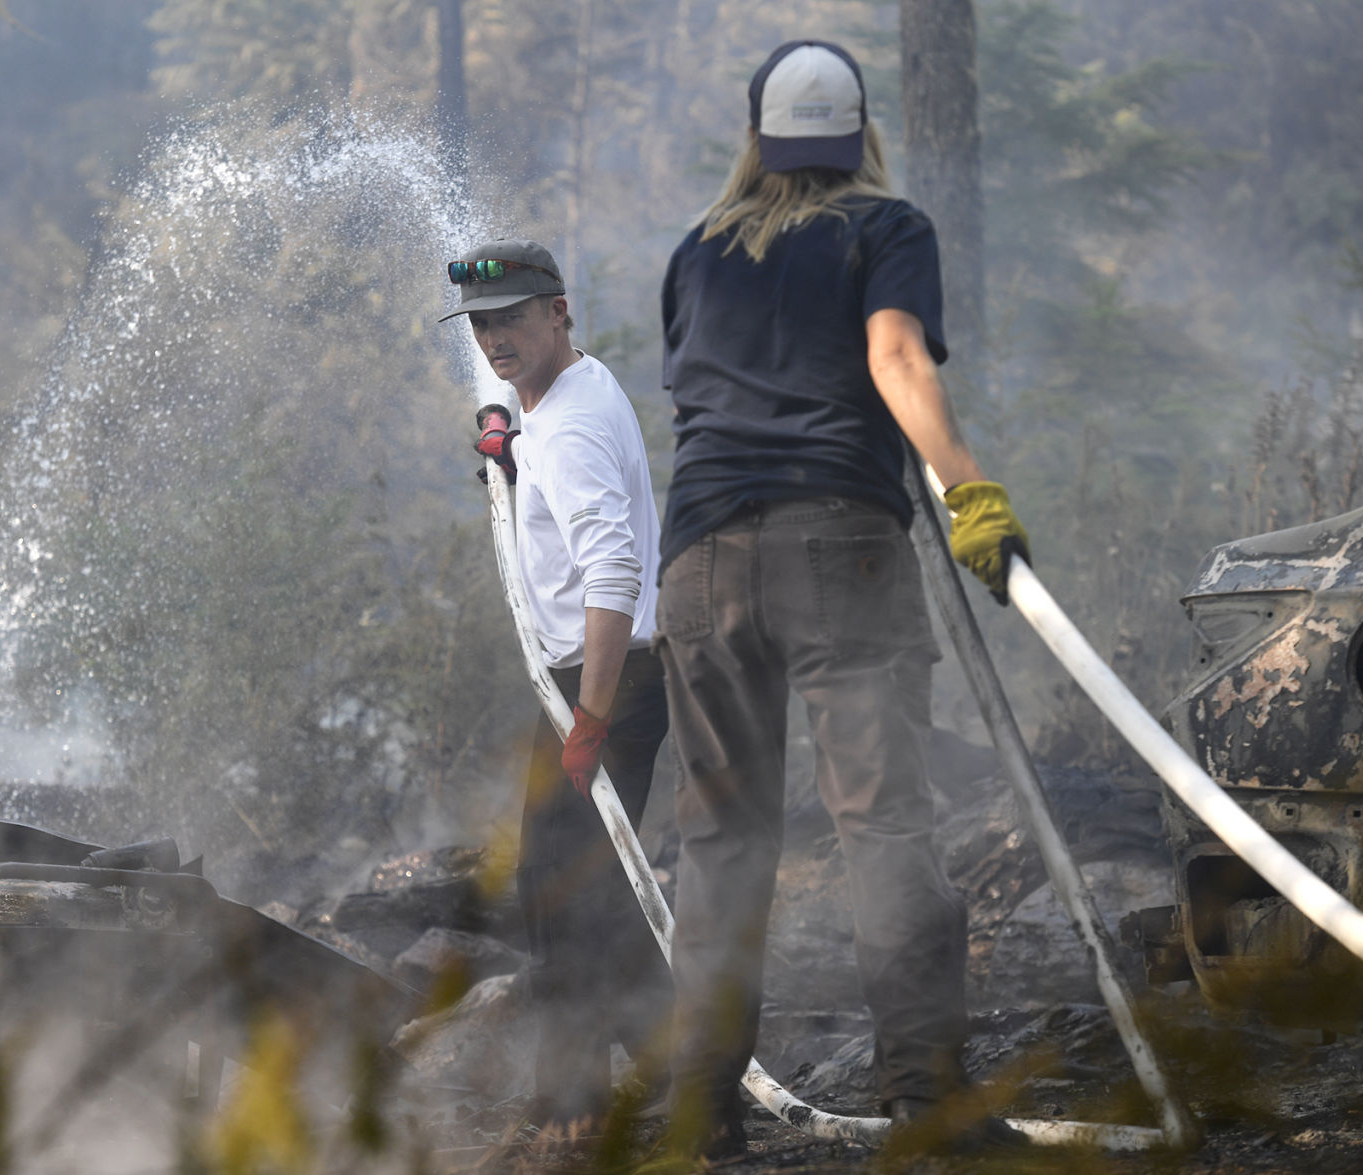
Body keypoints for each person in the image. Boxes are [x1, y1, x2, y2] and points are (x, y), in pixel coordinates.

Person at [654, 41, 1031, 1158]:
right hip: (839, 552)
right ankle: (925, 1104)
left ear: (756, 142)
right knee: (882, 828)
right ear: (861, 136)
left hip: (701, 562)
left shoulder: (694, 250)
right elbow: (895, 357)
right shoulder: (885, 228)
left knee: (719, 839)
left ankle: (695, 1105)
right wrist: (967, 490)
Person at [440, 239, 672, 1129]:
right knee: (569, 880)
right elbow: (518, 391)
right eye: (482, 325)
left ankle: (571, 1095)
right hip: (592, 679)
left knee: (565, 889)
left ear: (557, 312)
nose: (494, 339)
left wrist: (592, 720)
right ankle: (668, 1058)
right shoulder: (564, 388)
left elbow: (613, 573)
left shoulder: (568, 427)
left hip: (605, 680)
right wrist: (506, 438)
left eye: (511, 319)